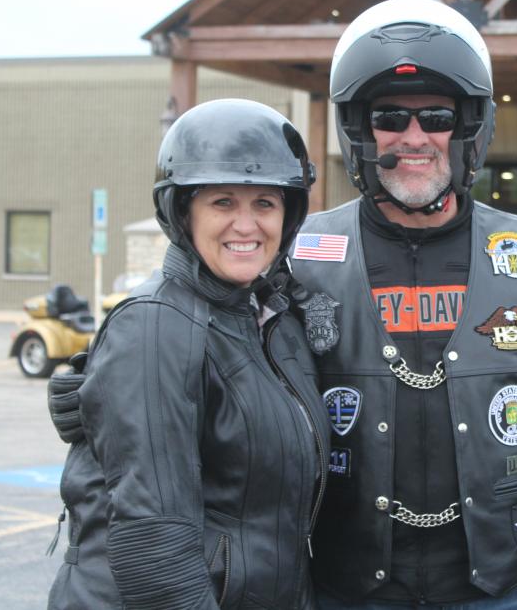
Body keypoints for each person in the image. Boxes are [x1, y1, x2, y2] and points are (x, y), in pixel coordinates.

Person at [290, 0, 517, 610]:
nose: (414, 137)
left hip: (505, 586)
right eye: (390, 116)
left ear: (470, 126)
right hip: (349, 588)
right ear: (360, 129)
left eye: (437, 116)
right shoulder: (300, 258)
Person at [45, 99, 330, 610]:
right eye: (223, 202)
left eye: (265, 203)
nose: (246, 224)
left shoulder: (269, 320)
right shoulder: (154, 325)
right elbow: (154, 545)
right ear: (183, 212)